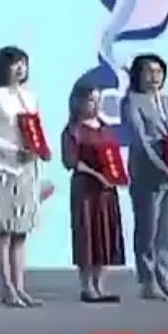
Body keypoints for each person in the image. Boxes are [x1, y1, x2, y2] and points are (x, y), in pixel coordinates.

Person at [0, 46, 44, 308]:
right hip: (3, 168)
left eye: (23, 63)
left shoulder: (30, 97)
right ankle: (6, 287)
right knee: (4, 230)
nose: (20, 68)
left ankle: (21, 287)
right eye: (15, 63)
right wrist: (13, 151)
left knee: (21, 232)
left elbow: (35, 130)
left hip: (27, 169)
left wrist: (37, 150)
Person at [122, 54, 168, 300]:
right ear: (137, 74)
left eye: (159, 72)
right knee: (147, 229)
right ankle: (148, 281)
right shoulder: (132, 101)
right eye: (149, 71)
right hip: (148, 172)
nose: (154, 77)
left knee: (166, 230)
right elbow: (140, 140)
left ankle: (164, 277)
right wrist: (161, 167)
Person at [62, 86, 125, 303]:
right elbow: (72, 162)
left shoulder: (106, 128)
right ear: (78, 103)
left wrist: (116, 177)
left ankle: (100, 284)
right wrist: (98, 176)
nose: (96, 105)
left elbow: (113, 158)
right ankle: (87, 286)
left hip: (107, 191)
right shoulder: (74, 130)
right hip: (86, 190)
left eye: (99, 100)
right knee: (87, 235)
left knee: (105, 235)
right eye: (91, 100)